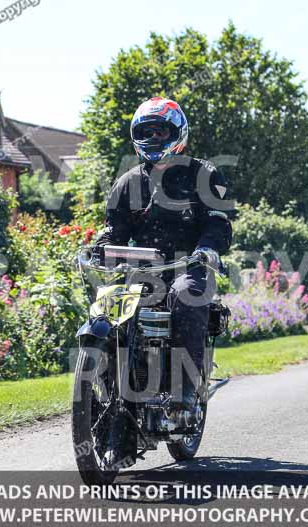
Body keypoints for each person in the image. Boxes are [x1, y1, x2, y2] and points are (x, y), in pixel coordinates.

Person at [93, 96, 234, 408]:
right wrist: (99, 247)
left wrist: (207, 248)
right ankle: (107, 391)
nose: (154, 138)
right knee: (106, 305)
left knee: (186, 296)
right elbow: (114, 230)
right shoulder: (128, 182)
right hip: (140, 271)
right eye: (147, 132)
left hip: (189, 267)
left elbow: (219, 223)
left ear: (177, 133)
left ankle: (185, 389)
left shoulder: (205, 175)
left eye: (161, 131)